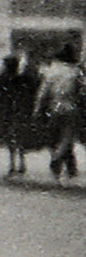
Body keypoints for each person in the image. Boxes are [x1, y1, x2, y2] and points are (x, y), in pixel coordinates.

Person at [35, 43, 82, 181]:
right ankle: (59, 157)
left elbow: (43, 92)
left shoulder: (51, 71)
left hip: (53, 105)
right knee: (67, 136)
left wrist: (38, 108)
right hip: (70, 106)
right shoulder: (75, 72)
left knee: (54, 135)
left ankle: (59, 159)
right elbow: (81, 89)